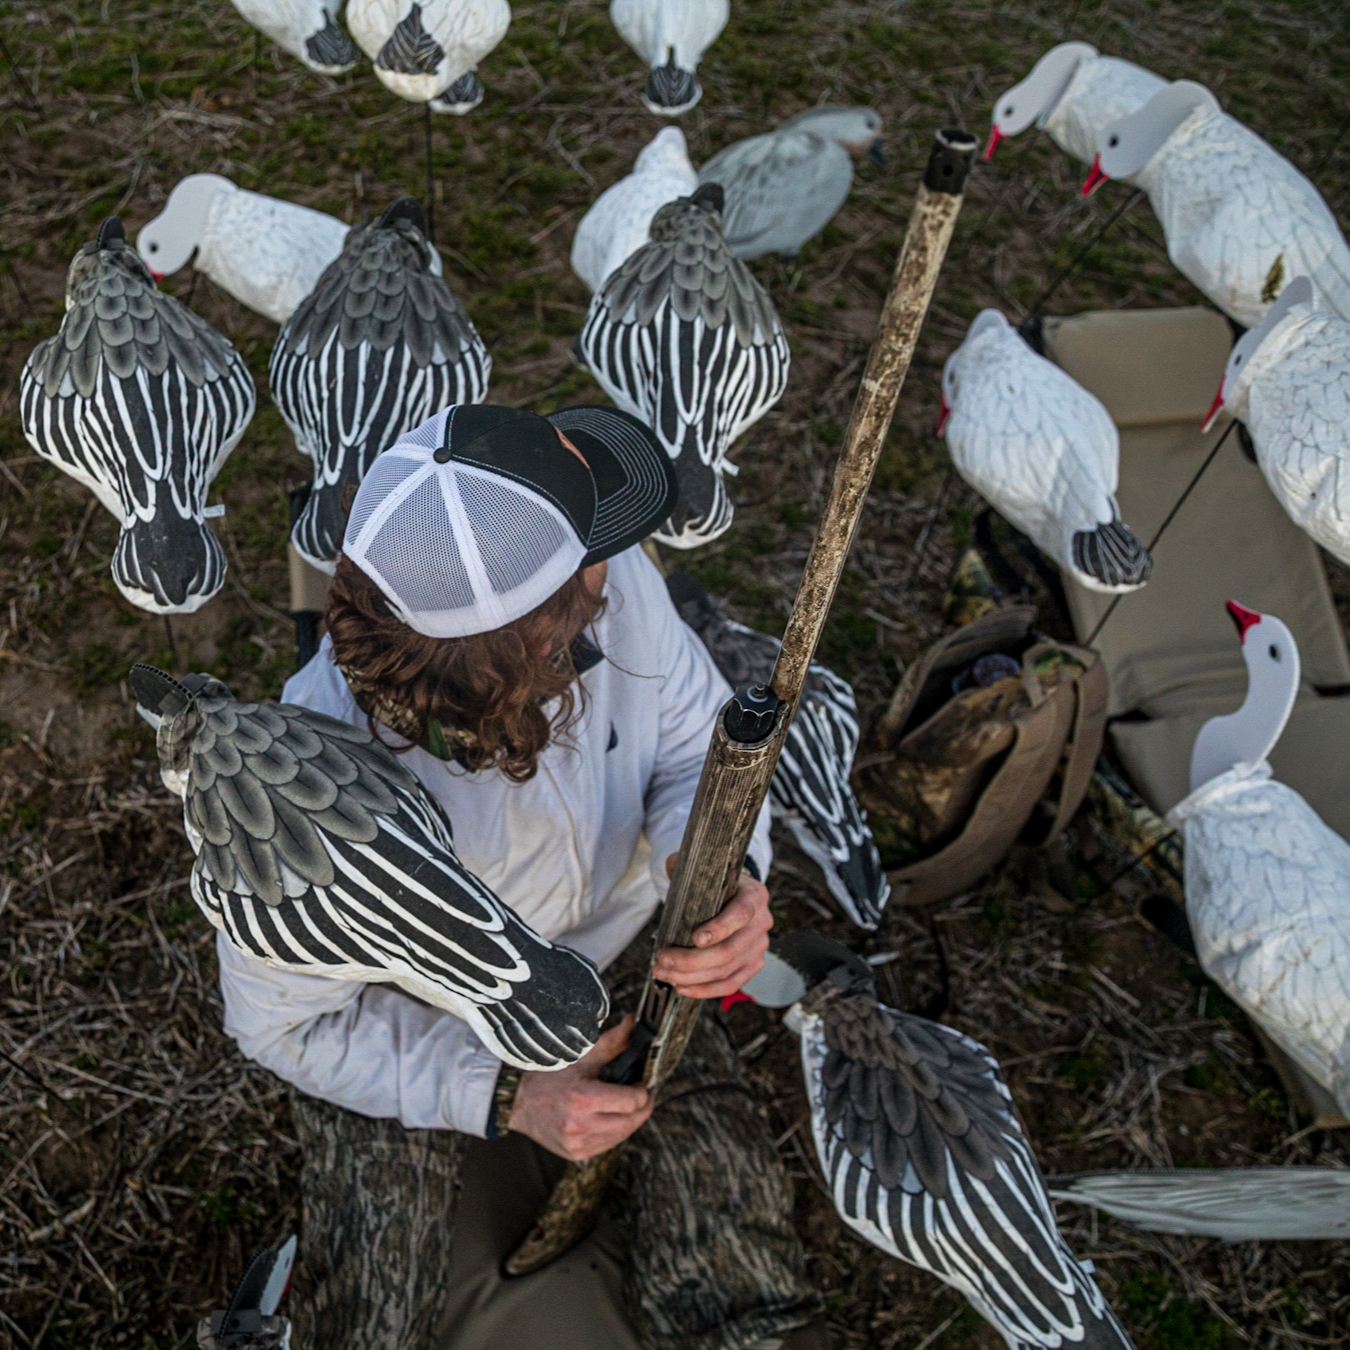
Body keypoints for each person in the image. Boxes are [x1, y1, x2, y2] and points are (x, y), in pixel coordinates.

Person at [217, 403, 828, 1349]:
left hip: (627, 963)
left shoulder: (614, 577)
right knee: (376, 1317)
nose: (615, 551)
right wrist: (500, 1093)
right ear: (537, 640)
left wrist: (713, 873)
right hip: (416, 1024)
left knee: (741, 1273)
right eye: (591, 547)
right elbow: (281, 1026)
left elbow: (692, 744)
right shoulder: (310, 812)